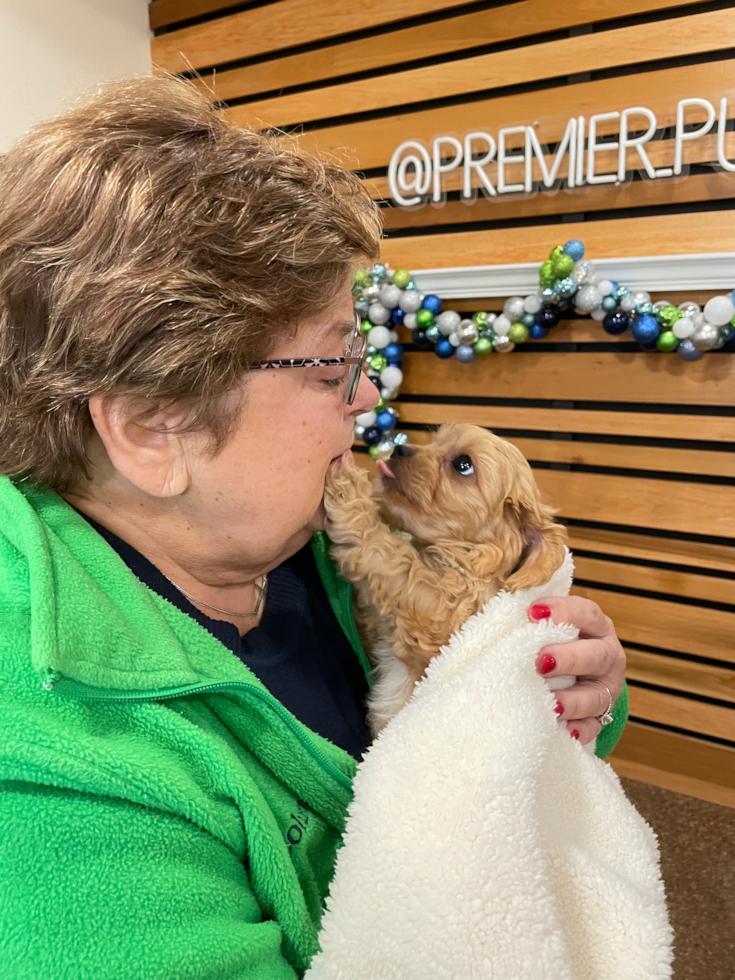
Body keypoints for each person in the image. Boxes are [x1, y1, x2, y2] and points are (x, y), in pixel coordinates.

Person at [0, 75, 629, 979]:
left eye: (358, 356)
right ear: (153, 428)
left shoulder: (309, 537)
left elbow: (503, 696)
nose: (367, 395)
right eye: (332, 366)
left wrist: (575, 687)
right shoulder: (49, 778)